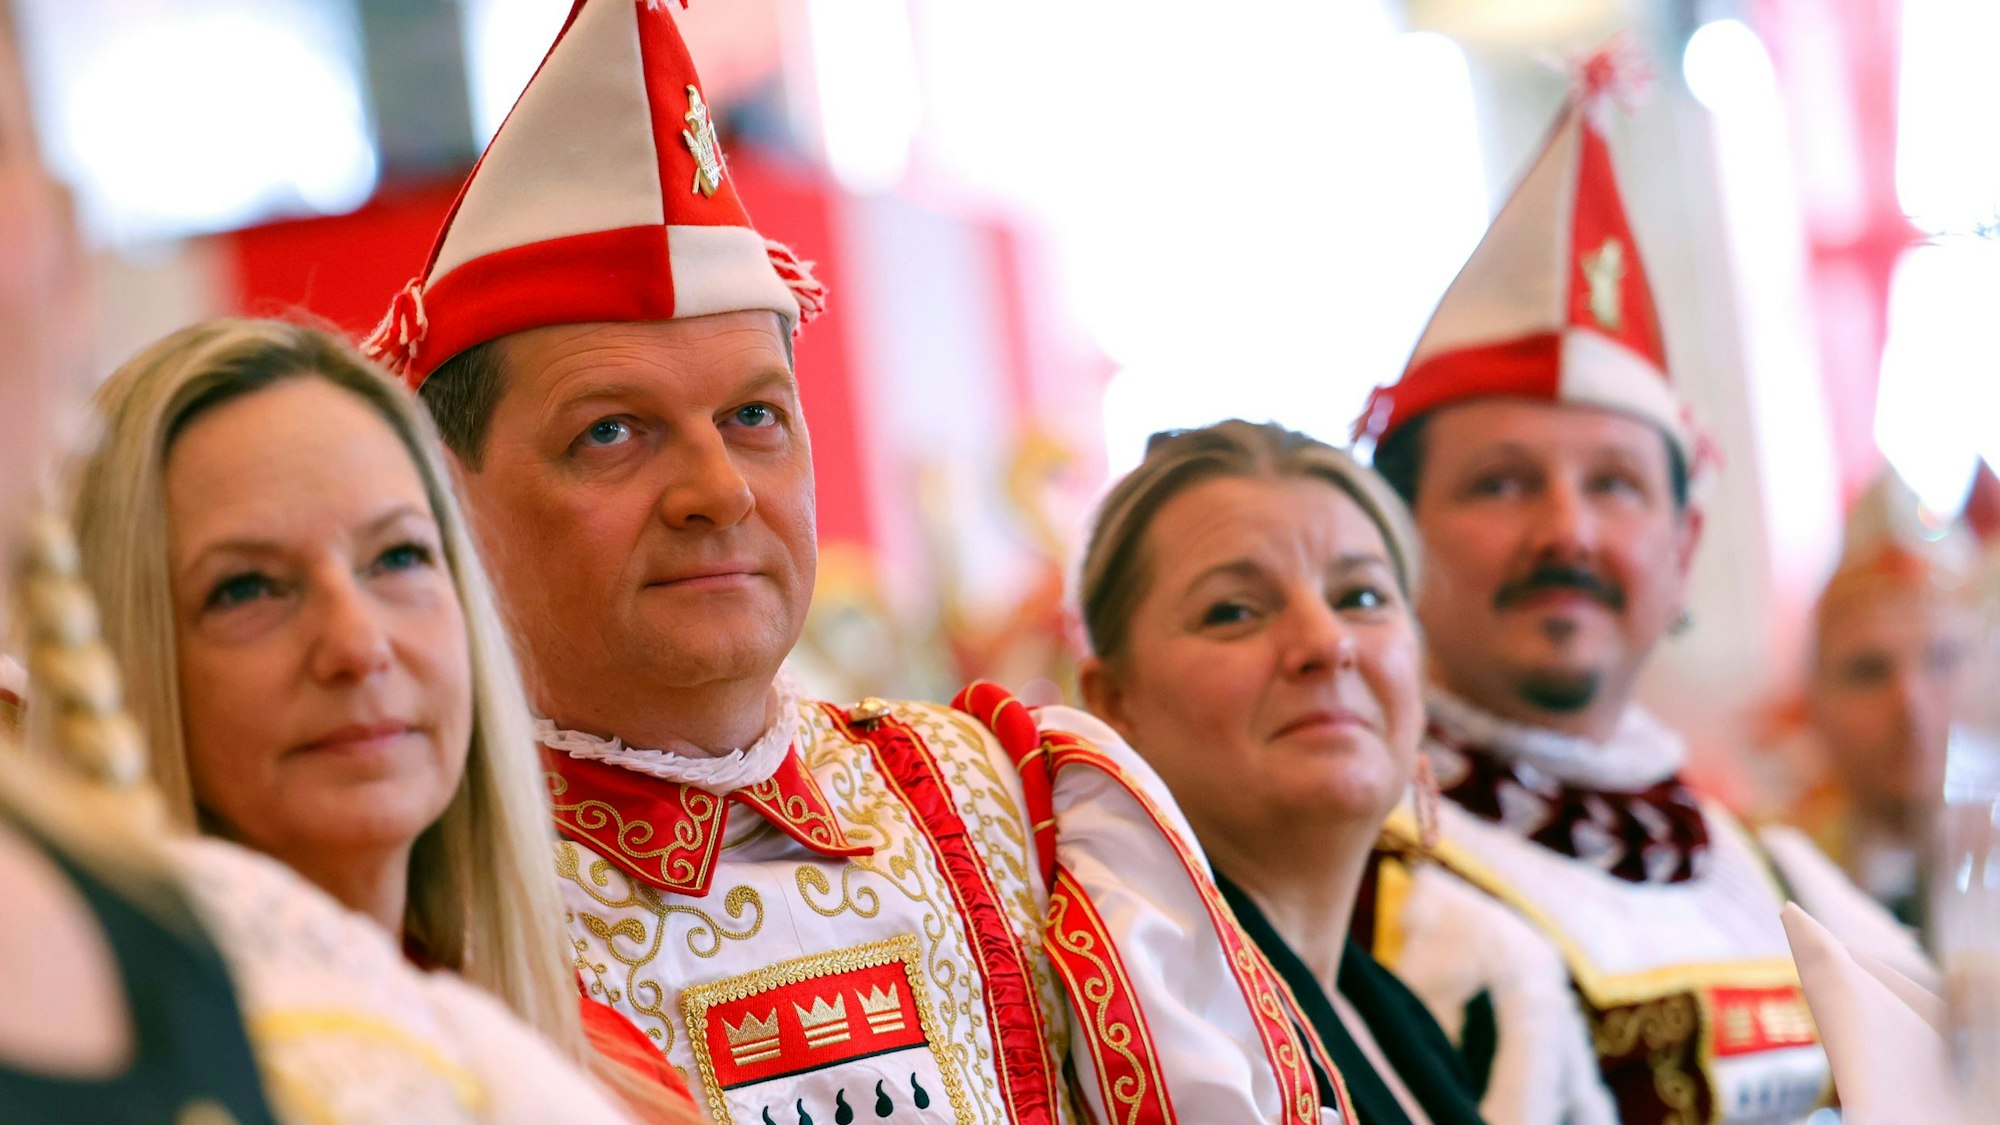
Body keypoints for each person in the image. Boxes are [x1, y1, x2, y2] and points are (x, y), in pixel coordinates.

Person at [365, 2, 1341, 1121]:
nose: (717, 490)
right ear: (447, 495)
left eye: (752, 417)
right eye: (611, 432)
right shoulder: (411, 897)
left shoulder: (1021, 808)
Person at [1347, 48, 1907, 1125]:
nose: (1566, 532)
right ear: (1394, 541)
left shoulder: (1766, 866)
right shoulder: (1360, 890)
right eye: (1500, 484)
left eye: (1613, 485)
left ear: (1682, 547)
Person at [57, 319, 695, 1123]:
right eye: (249, 587)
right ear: (121, 655)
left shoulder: (614, 1076)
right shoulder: (88, 1088)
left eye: (398, 557)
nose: (358, 645)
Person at [1075, 420, 1486, 1125]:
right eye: (1234, 611)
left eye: (1361, 597)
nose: (1326, 643)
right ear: (1115, 704)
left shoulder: (1396, 1010)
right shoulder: (1150, 1029)